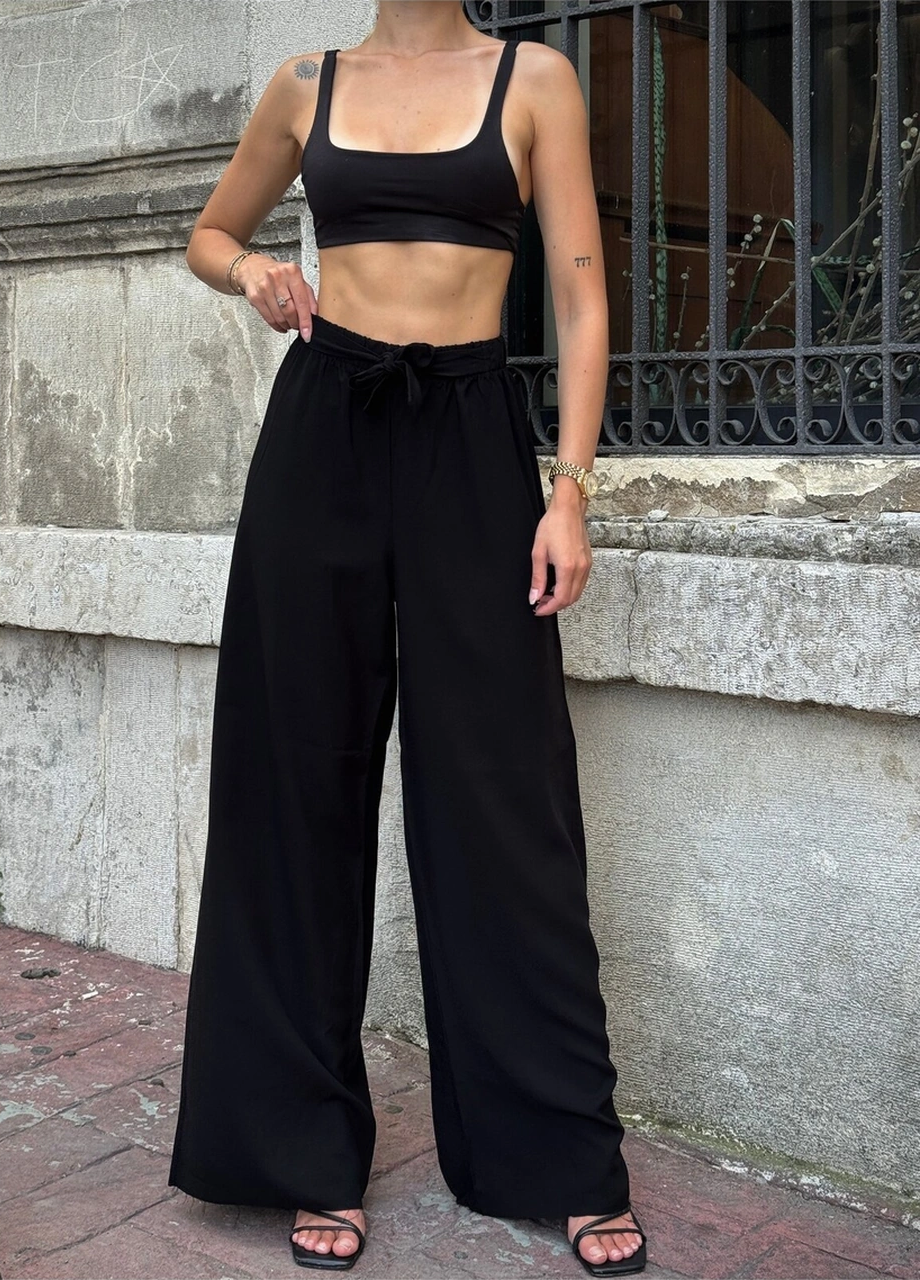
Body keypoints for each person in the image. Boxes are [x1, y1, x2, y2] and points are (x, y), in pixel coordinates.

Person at [166, 2, 647, 1275]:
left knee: (502, 796)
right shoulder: (303, 82)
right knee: (290, 784)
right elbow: (208, 233)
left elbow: (580, 296)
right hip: (321, 431)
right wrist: (249, 271)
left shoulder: (531, 80)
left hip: (472, 438)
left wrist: (569, 491)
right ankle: (297, 1148)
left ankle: (555, 1152)